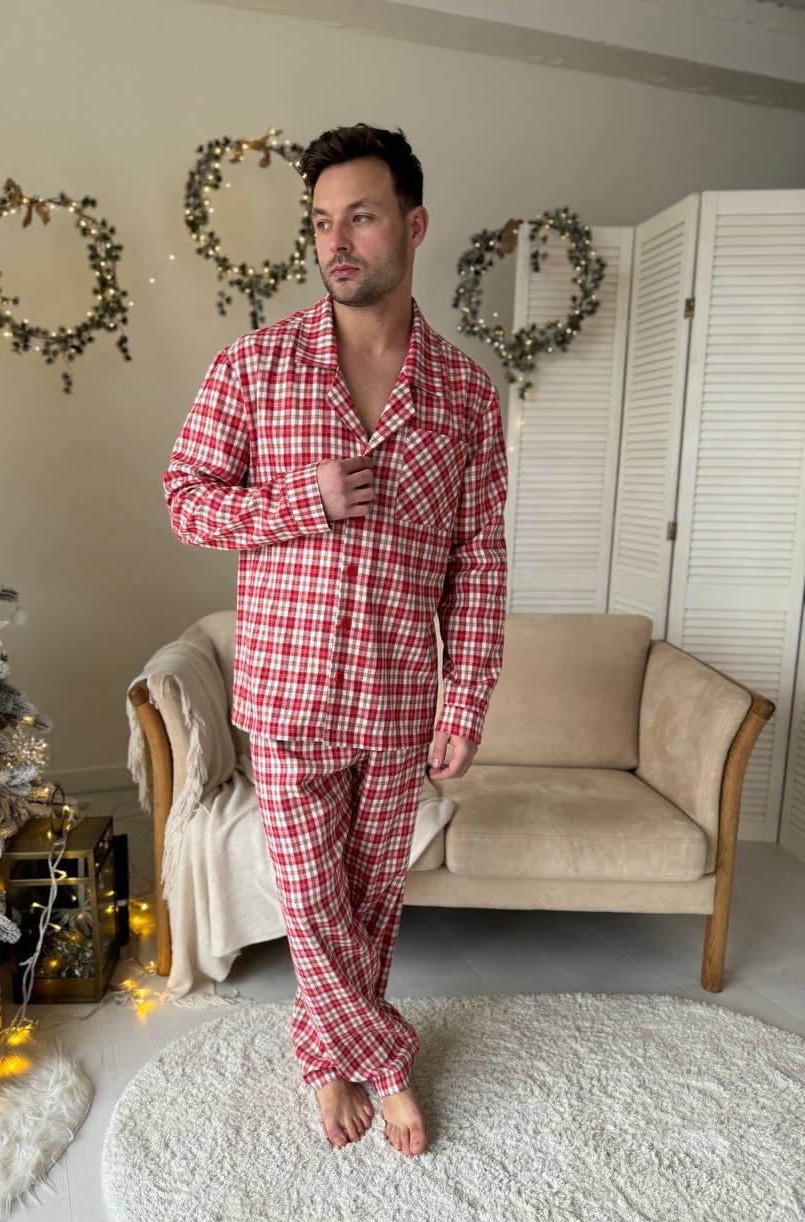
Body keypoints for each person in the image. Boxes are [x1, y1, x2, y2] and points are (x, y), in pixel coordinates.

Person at [163, 122, 508, 1157]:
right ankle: (386, 1059)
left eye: (360, 217)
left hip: (400, 695)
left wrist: (466, 696)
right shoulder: (255, 366)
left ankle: (326, 1059)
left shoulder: (465, 396)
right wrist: (299, 503)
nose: (337, 242)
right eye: (321, 222)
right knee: (313, 905)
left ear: (413, 224)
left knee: (367, 904)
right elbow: (185, 501)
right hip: (290, 691)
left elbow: (479, 560)